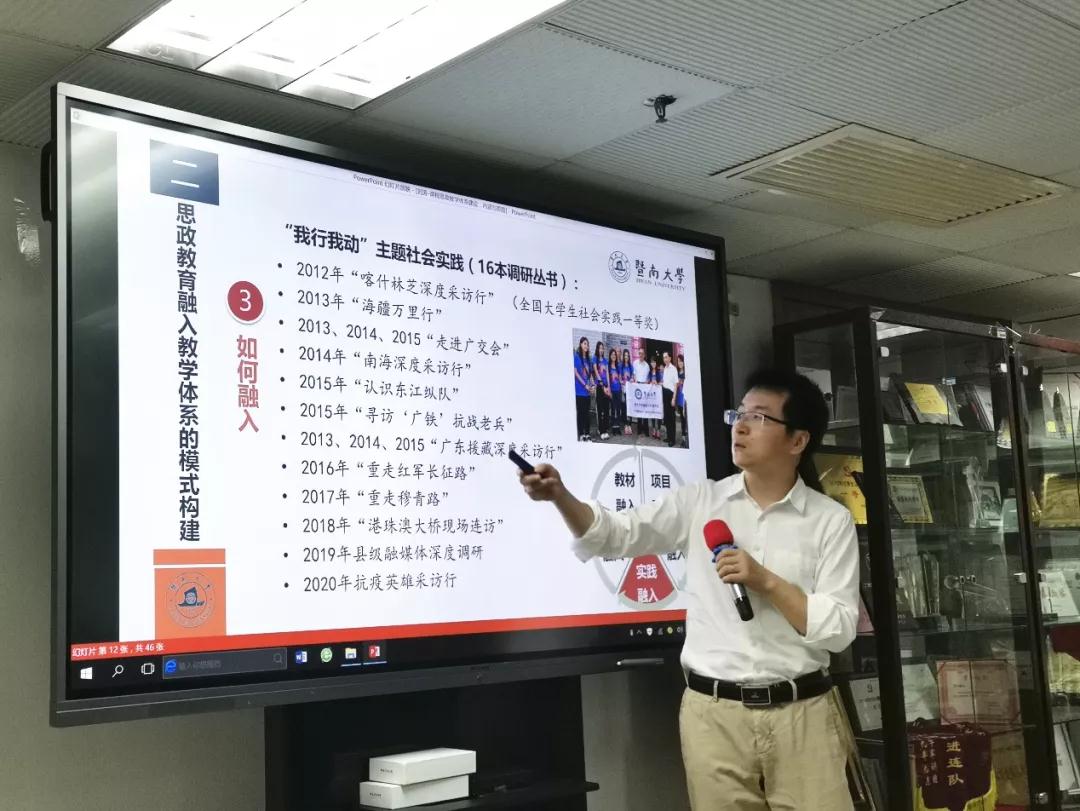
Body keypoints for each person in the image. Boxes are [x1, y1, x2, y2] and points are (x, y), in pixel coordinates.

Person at [519, 369, 858, 810]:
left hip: (803, 715)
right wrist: (560, 496)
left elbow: (839, 629)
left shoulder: (830, 520)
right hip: (714, 716)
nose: (740, 426)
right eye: (739, 414)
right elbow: (613, 535)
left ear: (798, 441)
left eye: (759, 417)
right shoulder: (701, 503)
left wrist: (766, 581)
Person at [573, 337, 592, 441]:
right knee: (581, 413)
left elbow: (590, 375)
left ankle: (587, 434)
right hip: (580, 391)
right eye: (584, 343)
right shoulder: (577, 357)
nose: (586, 346)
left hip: (587, 391)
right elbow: (575, 373)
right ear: (580, 344)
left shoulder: (588, 359)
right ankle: (581, 434)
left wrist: (592, 385)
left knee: (587, 413)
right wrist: (585, 385)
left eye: (587, 344)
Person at [632, 346, 651, 437]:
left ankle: (646, 429)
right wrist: (636, 383)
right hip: (638, 387)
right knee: (639, 408)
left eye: (642, 353)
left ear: (644, 355)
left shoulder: (647, 366)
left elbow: (648, 378)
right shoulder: (635, 363)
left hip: (645, 387)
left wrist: (647, 383)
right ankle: (639, 429)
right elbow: (634, 375)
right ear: (638, 354)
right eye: (639, 353)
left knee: (645, 409)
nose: (641, 355)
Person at [594, 340, 612, 441]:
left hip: (606, 387)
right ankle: (601, 431)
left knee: (605, 410)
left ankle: (604, 430)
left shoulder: (605, 360)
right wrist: (603, 387)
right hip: (599, 387)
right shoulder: (595, 359)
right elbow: (596, 373)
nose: (601, 350)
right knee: (600, 410)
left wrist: (608, 387)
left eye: (602, 348)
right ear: (597, 349)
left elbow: (607, 375)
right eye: (600, 348)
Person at [662, 350, 679, 447]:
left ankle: (672, 439)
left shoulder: (673, 369)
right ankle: (668, 437)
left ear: (670, 358)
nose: (664, 359)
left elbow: (676, 384)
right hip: (665, 393)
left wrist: (673, 398)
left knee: (672, 418)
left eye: (666, 357)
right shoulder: (665, 368)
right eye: (663, 357)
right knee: (667, 417)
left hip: (671, 394)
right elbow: (665, 382)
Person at [608, 348, 623, 435]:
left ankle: (618, 427)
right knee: (613, 409)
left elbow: (620, 378)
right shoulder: (608, 366)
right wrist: (609, 390)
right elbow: (608, 379)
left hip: (618, 390)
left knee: (618, 409)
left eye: (615, 354)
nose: (614, 356)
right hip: (612, 391)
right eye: (612, 354)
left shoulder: (618, 366)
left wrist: (623, 382)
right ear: (610, 356)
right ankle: (614, 427)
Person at [621, 348, 634, 436]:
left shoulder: (630, 366)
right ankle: (626, 425)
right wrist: (622, 381)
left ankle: (630, 425)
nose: (626, 357)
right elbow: (619, 377)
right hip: (624, 390)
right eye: (625, 355)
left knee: (630, 407)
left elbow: (633, 376)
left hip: (630, 390)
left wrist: (632, 379)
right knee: (625, 407)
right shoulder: (621, 366)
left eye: (627, 356)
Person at [676, 354, 687, 447]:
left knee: (687, 419)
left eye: (681, 361)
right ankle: (684, 439)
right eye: (678, 361)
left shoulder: (687, 373)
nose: (680, 363)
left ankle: (688, 439)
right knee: (682, 420)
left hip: (685, 399)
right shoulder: (677, 373)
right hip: (679, 399)